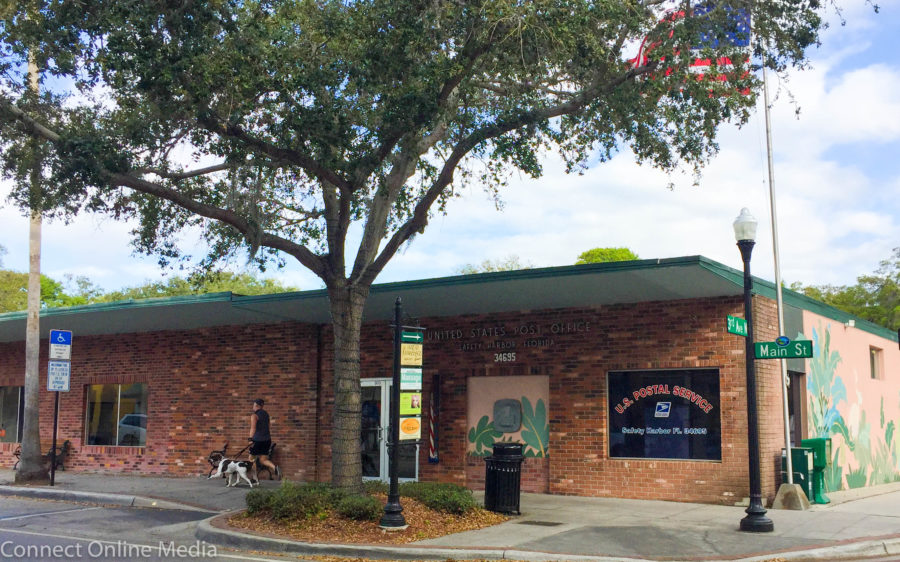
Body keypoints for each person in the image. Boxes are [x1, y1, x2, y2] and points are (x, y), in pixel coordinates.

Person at [249, 398, 281, 479]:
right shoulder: (266, 414)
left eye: (253, 405)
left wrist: (250, 439)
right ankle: (275, 468)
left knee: (251, 459)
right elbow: (269, 426)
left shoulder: (254, 415)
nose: (253, 407)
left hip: (257, 440)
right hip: (267, 440)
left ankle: (254, 478)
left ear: (256, 405)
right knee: (263, 459)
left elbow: (253, 428)